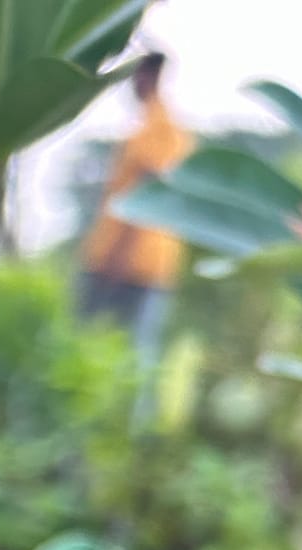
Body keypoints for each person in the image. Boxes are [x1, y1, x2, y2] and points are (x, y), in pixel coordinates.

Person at [79, 52, 194, 357]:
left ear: (150, 76)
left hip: (134, 264)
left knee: (123, 357)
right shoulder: (148, 126)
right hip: (121, 259)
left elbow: (146, 199)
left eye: (136, 75)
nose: (132, 83)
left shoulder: (162, 129)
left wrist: (117, 259)